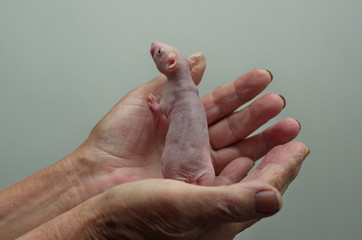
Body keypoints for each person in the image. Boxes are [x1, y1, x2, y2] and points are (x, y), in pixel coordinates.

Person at [0, 52, 309, 240]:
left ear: (172, 62)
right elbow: (167, 109)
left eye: (158, 53)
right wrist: (98, 214)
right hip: (184, 157)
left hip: (185, 157)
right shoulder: (178, 88)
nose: (153, 53)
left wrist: (89, 176)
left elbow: (167, 108)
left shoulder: (178, 88)